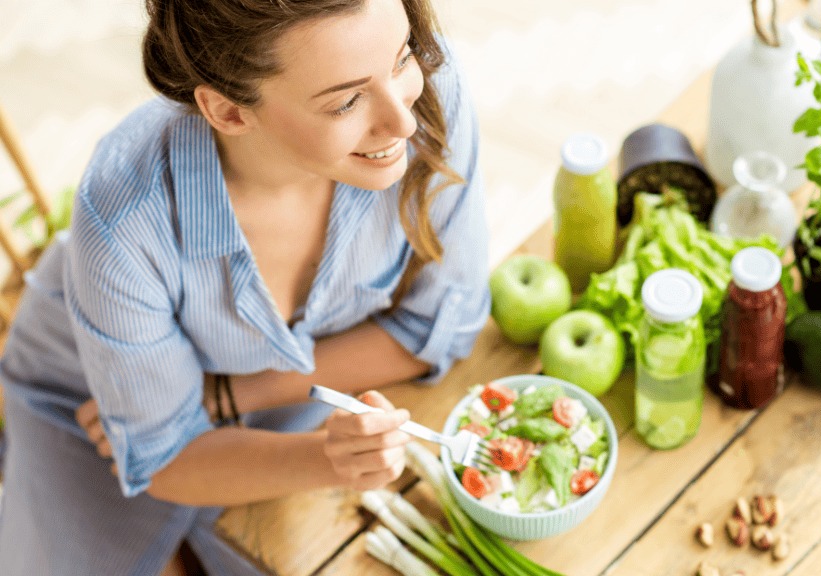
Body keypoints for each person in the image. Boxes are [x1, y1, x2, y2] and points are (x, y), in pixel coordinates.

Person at [0, 0, 490, 573]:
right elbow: (168, 454)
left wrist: (234, 395)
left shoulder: (425, 93)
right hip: (88, 402)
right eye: (346, 101)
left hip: (284, 397)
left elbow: (442, 324)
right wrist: (326, 457)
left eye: (402, 55)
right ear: (229, 112)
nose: (402, 122)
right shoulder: (124, 216)